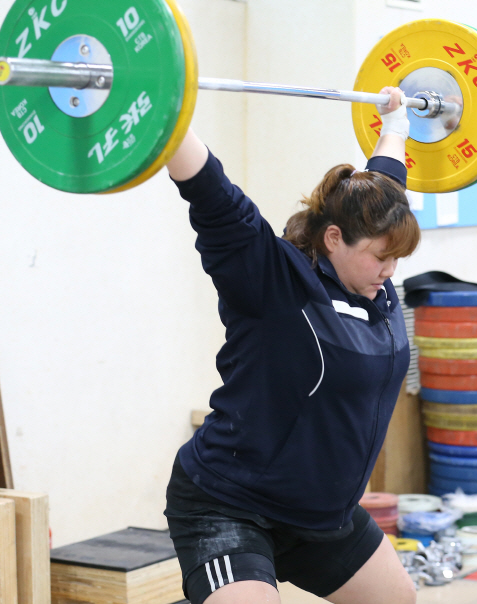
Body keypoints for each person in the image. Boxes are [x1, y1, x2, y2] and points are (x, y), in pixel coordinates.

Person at [164, 87, 420, 604]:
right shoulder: (272, 281)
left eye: (396, 259)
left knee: (396, 600)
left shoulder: (372, 258)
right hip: (229, 501)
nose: (391, 272)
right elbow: (208, 189)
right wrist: (161, 115)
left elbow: (387, 175)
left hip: (319, 514)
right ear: (332, 239)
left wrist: (396, 120)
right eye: (379, 258)